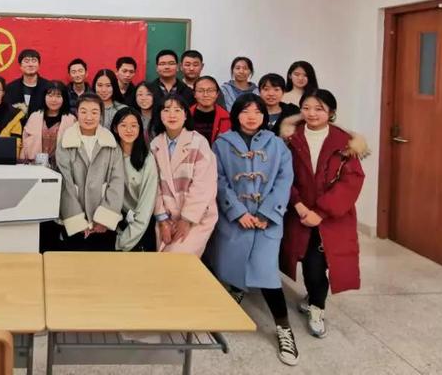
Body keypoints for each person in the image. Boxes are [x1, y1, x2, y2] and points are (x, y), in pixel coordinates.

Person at [208, 94, 298, 366]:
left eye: (257, 112)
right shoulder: (222, 144)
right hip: (235, 219)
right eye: (245, 111)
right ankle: (237, 289)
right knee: (234, 261)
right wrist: (237, 211)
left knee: (267, 273)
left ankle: (283, 328)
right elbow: (219, 180)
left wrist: (267, 213)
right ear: (236, 114)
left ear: (264, 116)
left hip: (267, 220)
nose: (251, 117)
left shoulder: (277, 145)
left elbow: (284, 180)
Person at [280, 89, 367, 340]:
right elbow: (283, 175)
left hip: (331, 217)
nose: (312, 113)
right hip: (300, 212)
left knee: (320, 264)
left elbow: (351, 181)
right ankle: (314, 298)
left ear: (331, 112)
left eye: (319, 109)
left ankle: (317, 307)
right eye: (306, 108)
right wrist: (298, 204)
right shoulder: (291, 139)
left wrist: (321, 212)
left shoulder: (345, 143)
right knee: (309, 262)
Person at [150, 93, 218, 255]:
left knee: (178, 258)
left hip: (197, 217)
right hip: (166, 217)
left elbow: (204, 185)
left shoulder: (199, 142)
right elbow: (152, 185)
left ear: (186, 115)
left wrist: (187, 219)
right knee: (164, 261)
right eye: (166, 110)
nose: (172, 115)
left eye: (177, 110)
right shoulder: (155, 145)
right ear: (160, 115)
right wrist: (162, 219)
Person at [56, 93, 125, 251]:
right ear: (77, 113)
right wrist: (77, 222)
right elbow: (65, 184)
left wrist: (104, 219)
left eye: (94, 112)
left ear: (101, 114)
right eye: (84, 111)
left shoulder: (111, 144)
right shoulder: (66, 142)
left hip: (103, 226)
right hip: (73, 224)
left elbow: (117, 182)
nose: (89, 117)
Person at [111, 107, 158, 252]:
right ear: (115, 128)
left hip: (140, 226)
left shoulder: (147, 159)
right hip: (112, 224)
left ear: (140, 129)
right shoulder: (109, 155)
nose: (129, 130)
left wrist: (123, 241)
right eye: (123, 125)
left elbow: (146, 206)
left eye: (134, 125)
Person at [20, 80, 76, 169]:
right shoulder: (34, 117)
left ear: (64, 98)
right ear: (44, 97)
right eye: (50, 95)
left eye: (58, 96)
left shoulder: (71, 120)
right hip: (34, 167)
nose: (54, 100)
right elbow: (24, 144)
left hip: (61, 169)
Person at [6, 48, 49, 118]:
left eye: (34, 61)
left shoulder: (48, 86)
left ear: (39, 65)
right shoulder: (10, 88)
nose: (30, 64)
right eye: (26, 61)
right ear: (20, 66)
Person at [189, 76, 231, 147]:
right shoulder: (185, 116)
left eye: (210, 91)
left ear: (217, 94)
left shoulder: (227, 118)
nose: (205, 95)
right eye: (200, 91)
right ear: (194, 94)